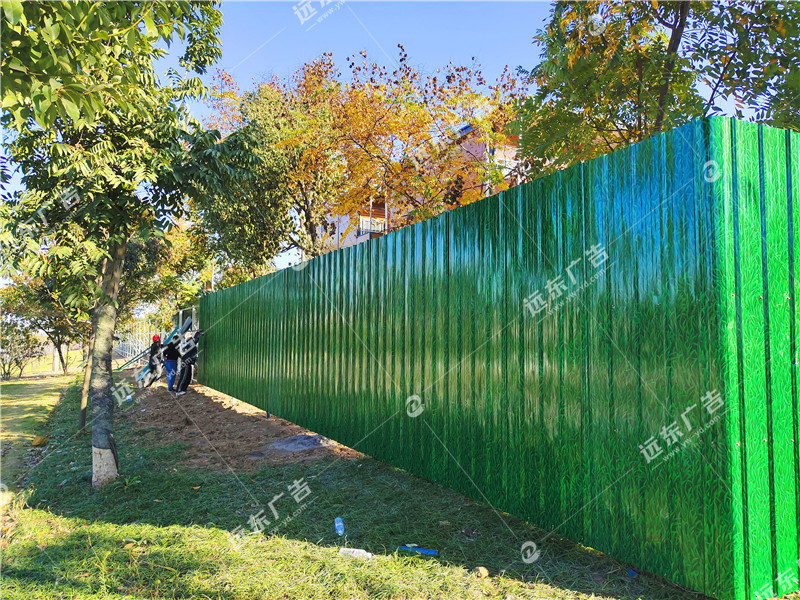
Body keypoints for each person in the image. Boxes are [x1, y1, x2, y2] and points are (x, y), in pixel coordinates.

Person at [176, 330, 203, 395]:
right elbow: (195, 340)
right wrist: (197, 333)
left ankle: (183, 389)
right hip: (186, 363)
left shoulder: (187, 345)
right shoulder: (187, 345)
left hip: (187, 363)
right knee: (184, 377)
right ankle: (179, 390)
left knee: (188, 377)